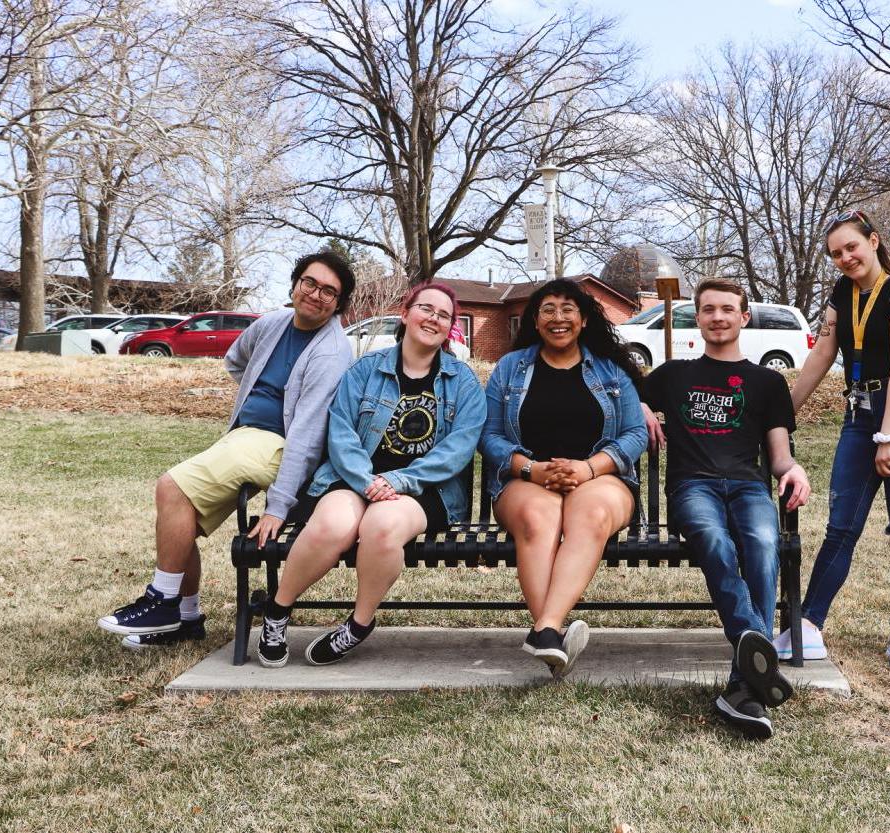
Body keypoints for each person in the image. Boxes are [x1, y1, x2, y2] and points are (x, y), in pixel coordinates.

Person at [97, 252, 356, 648]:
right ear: (295, 284)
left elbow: (307, 435)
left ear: (338, 304)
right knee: (180, 507)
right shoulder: (271, 324)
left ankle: (162, 599)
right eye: (310, 283)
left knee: (172, 487)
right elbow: (236, 361)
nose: (316, 295)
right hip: (243, 437)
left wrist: (278, 506)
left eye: (328, 291)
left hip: (278, 446)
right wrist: (259, 395)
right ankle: (186, 619)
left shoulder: (331, 352)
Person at [255, 282, 485, 668]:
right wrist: (366, 480)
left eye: (444, 315)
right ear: (406, 314)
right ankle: (277, 612)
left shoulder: (462, 383)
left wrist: (398, 481)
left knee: (381, 526)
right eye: (426, 309)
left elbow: (458, 450)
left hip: (424, 489)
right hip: (354, 477)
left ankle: (358, 625)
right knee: (331, 525)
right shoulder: (365, 370)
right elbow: (341, 432)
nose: (434, 318)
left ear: (450, 328)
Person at [777, 209, 890, 676]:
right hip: (858, 412)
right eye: (836, 253)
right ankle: (808, 625)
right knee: (841, 525)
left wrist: (888, 438)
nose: (845, 258)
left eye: (851, 247)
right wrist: (784, 411)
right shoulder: (842, 293)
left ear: (873, 241)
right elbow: (822, 353)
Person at [640, 277, 811, 740]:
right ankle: (755, 657)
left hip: (747, 487)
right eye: (709, 309)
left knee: (761, 541)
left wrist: (793, 471)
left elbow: (778, 456)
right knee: (713, 540)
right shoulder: (674, 375)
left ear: (743, 316)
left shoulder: (768, 382)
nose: (718, 317)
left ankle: (744, 683)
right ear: (697, 318)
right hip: (693, 487)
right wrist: (638, 406)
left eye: (727, 309)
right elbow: (620, 390)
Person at [480, 278, 648, 678]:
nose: (558, 318)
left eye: (568, 309)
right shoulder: (510, 368)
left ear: (584, 319)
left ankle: (545, 630)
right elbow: (489, 435)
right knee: (540, 517)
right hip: (525, 478)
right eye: (548, 310)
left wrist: (588, 468)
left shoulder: (610, 369)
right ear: (535, 321)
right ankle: (551, 634)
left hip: (599, 476)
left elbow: (635, 433)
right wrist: (531, 469)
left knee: (589, 515)